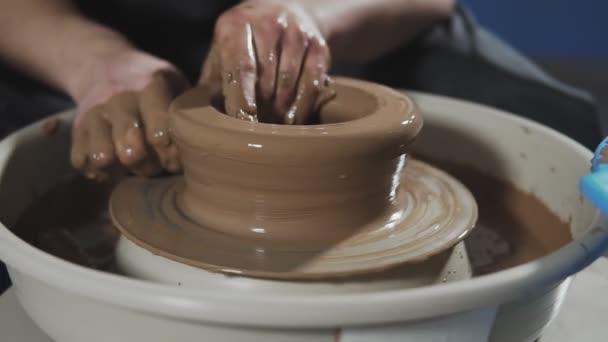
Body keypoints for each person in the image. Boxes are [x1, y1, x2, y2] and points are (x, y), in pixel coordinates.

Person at [0, 0, 603, 183]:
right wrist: (95, 62)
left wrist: (309, 16)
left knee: (566, 145)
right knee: (46, 172)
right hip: (73, 31)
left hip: (345, 16)